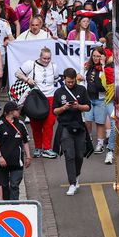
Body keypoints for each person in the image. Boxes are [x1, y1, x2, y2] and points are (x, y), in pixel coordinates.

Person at [14, 45, 59, 158]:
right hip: (36, 97)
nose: (46, 61)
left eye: (48, 58)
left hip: (50, 97)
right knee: (36, 123)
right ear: (40, 57)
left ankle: (47, 148)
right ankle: (38, 147)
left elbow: (55, 79)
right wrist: (27, 79)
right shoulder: (31, 64)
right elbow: (17, 73)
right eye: (44, 58)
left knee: (49, 123)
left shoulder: (54, 67)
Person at [52, 67, 91, 195]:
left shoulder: (82, 89)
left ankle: (76, 175)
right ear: (64, 79)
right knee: (69, 155)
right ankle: (72, 183)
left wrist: (78, 106)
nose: (70, 83)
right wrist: (64, 107)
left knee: (80, 155)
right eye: (68, 81)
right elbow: (55, 111)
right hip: (65, 126)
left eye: (72, 81)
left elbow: (88, 107)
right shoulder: (58, 92)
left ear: (75, 79)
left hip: (79, 126)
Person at [0, 101, 32, 200]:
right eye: (17, 109)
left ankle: (14, 206)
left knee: (14, 185)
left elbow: (25, 141)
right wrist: (0, 157)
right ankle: (5, 206)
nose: (19, 111)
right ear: (10, 112)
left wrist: (28, 156)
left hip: (17, 162)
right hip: (2, 162)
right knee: (3, 186)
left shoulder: (21, 124)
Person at [83, 47, 111, 155]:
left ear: (103, 56)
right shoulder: (88, 66)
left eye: (98, 56)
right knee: (87, 120)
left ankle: (100, 143)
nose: (95, 58)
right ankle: (88, 139)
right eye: (94, 56)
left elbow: (107, 81)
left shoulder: (106, 67)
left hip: (100, 99)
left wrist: (103, 65)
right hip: (89, 99)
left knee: (100, 122)